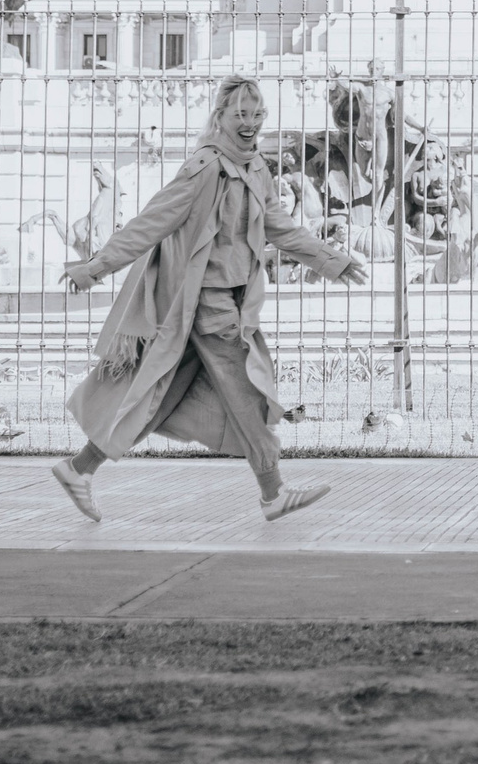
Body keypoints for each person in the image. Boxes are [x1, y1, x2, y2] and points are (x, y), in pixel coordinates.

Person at [51, 77, 369, 524]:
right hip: (205, 306)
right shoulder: (205, 167)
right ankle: (273, 492)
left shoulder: (256, 167)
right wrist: (94, 268)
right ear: (219, 116)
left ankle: (78, 468)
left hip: (235, 304)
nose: (250, 124)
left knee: (160, 395)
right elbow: (151, 222)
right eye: (240, 114)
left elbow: (279, 227)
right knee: (247, 394)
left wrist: (331, 260)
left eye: (257, 115)